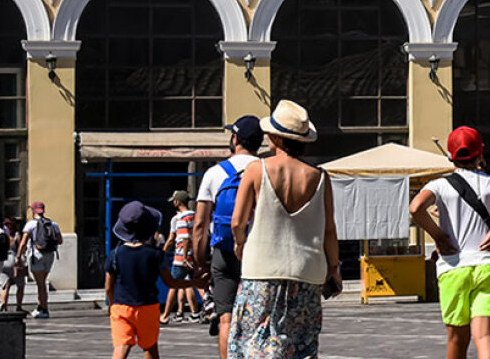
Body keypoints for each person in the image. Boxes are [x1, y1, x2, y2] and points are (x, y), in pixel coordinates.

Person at [410, 125, 490, 359]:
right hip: (488, 265)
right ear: (481, 153)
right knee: (485, 336)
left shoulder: (439, 185)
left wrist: (438, 235)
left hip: (453, 267)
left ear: (450, 156)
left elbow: (416, 208)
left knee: (457, 338)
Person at [228, 100, 340, 359]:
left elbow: (237, 221)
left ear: (276, 138)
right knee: (300, 344)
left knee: (255, 341)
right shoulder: (320, 177)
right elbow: (329, 230)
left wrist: (240, 243)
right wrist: (334, 268)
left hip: (261, 268)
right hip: (307, 271)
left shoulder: (256, 169)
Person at [192, 114, 263, 358]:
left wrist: (200, 262)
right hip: (257, 252)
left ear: (236, 139)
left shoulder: (214, 173)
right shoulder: (266, 170)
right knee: (259, 319)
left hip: (223, 251)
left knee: (226, 320)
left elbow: (200, 224)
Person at [106, 201, 207, 359]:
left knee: (121, 348)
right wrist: (195, 283)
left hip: (121, 307)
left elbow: (108, 286)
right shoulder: (155, 254)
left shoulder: (115, 254)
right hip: (147, 307)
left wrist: (113, 305)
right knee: (150, 347)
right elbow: (171, 283)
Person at [17, 201, 63, 319]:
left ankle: (44, 309)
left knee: (41, 284)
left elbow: (23, 242)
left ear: (33, 211)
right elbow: (60, 240)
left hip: (37, 254)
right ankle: (40, 307)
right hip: (50, 255)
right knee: (42, 282)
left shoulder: (30, 224)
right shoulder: (53, 223)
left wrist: (18, 256)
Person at [161, 190, 199, 324]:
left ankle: (165, 315)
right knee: (192, 284)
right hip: (194, 256)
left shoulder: (180, 218)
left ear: (178, 202)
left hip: (181, 257)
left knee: (173, 285)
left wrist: (162, 252)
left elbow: (179, 239)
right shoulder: (195, 216)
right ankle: (198, 312)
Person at [0, 217, 26, 313]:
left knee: (5, 285)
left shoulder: (1, 235)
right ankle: (19, 306)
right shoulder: (17, 235)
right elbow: (21, 247)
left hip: (3, 261)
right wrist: (20, 257)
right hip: (14, 260)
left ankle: (4, 306)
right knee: (20, 285)